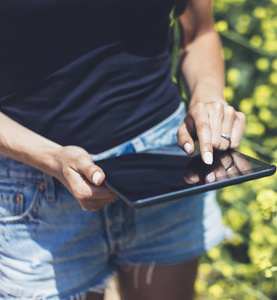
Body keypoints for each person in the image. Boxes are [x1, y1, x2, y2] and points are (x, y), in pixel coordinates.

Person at [0, 0, 245, 299]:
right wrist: (50, 158)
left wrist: (207, 101)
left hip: (168, 164)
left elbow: (199, 33)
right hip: (37, 187)